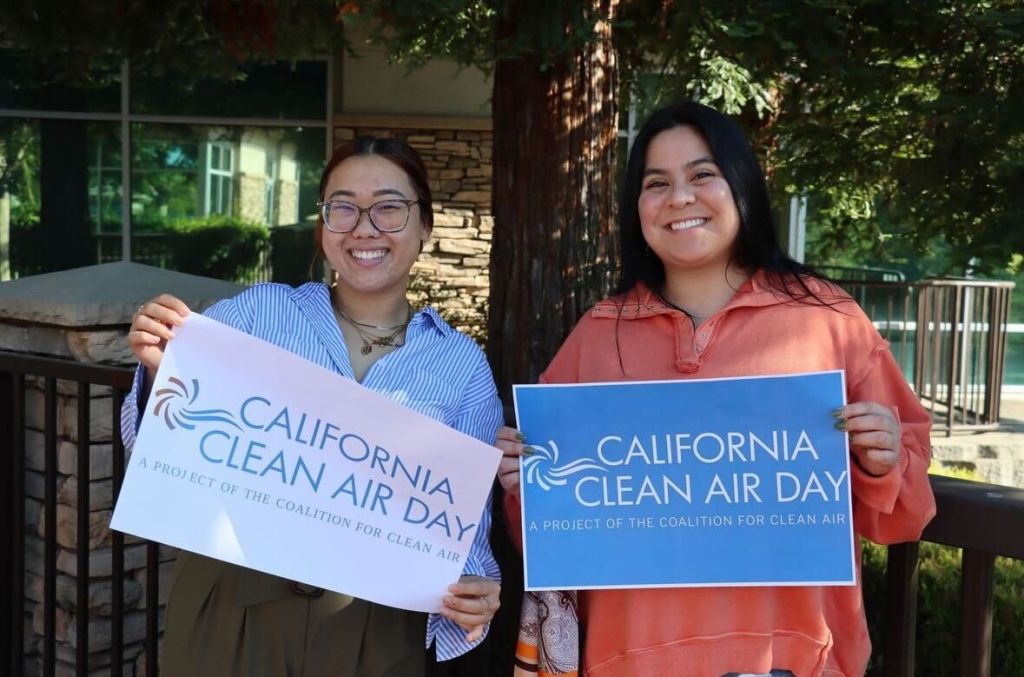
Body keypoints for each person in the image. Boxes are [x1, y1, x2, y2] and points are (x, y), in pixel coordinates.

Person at [497, 101, 936, 677]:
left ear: (743, 186)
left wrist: (881, 461)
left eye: (703, 174)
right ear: (637, 210)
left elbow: (904, 517)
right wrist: (523, 484)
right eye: (657, 183)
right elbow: (546, 537)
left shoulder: (829, 318)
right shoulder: (599, 335)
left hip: (795, 659)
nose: (680, 197)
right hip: (628, 660)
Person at [122, 136, 502, 677]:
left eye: (390, 208)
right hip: (233, 601)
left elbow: (463, 529)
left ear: (424, 227)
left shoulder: (461, 366)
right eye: (342, 207)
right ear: (323, 225)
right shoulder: (258, 313)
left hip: (377, 625)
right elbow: (153, 442)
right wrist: (163, 371)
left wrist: (477, 592)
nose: (364, 227)